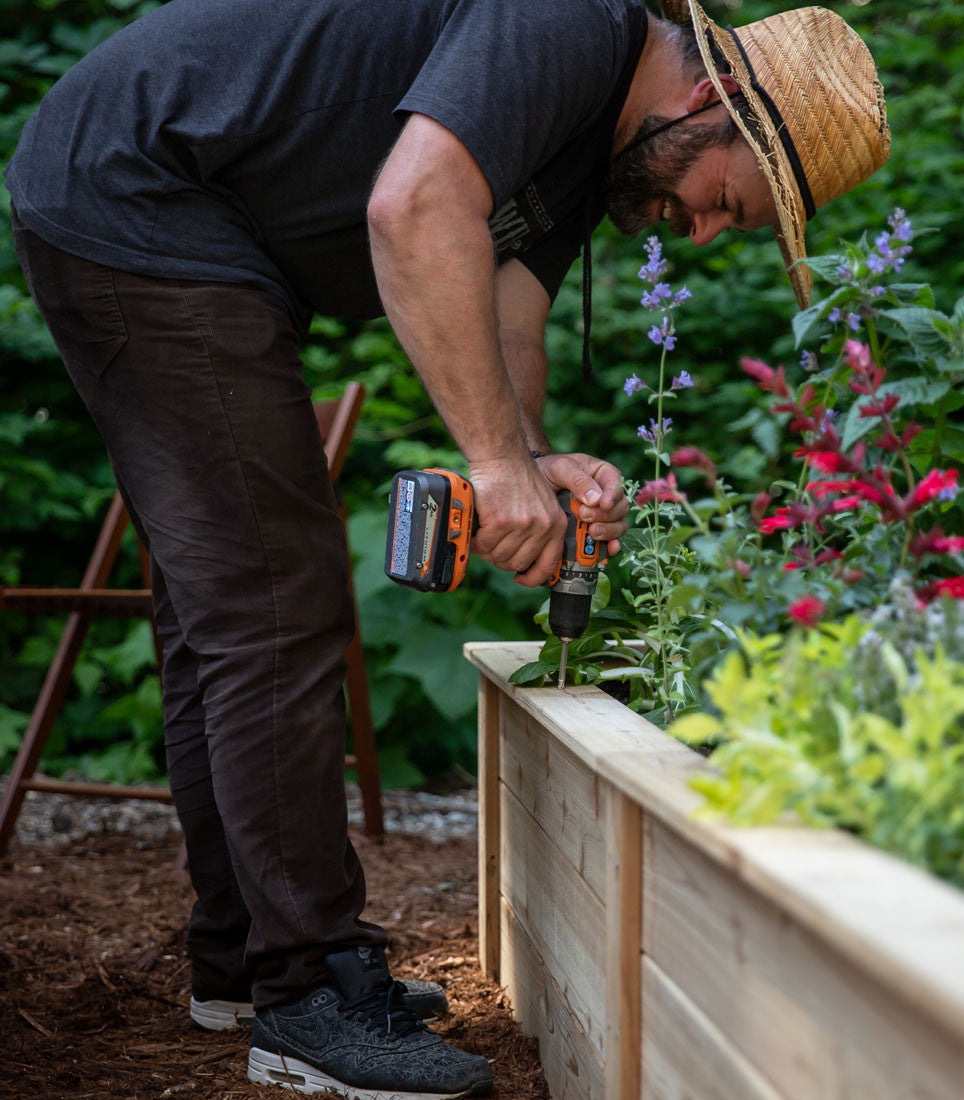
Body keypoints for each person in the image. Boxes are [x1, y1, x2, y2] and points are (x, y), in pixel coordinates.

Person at [4, 0, 890, 1094]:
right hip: (140, 187)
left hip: (187, 217)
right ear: (710, 104)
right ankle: (306, 994)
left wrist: (534, 458)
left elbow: (507, 310)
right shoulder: (570, 24)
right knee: (275, 597)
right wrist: (492, 465)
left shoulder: (590, 149)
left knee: (225, 603)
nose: (699, 232)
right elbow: (413, 203)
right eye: (726, 204)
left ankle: (244, 957)